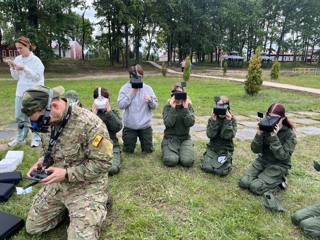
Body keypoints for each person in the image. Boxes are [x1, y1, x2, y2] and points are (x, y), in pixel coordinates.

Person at [21, 85, 112, 240]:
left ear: (54, 106)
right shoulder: (48, 120)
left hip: (86, 186)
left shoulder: (91, 124)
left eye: (43, 120)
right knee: (33, 227)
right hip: (59, 184)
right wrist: (42, 162)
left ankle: (99, 202)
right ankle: (70, 210)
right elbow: (48, 150)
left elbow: (104, 163)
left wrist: (66, 173)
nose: (42, 125)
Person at [239, 103, 297, 195]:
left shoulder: (290, 135)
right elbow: (255, 150)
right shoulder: (265, 126)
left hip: (279, 165)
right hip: (263, 161)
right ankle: (264, 176)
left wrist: (274, 137)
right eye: (269, 116)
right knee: (244, 182)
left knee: (255, 187)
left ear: (282, 118)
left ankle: (280, 181)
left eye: (275, 118)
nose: (271, 120)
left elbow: (283, 156)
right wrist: (259, 134)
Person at [7, 36, 45, 147]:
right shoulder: (18, 59)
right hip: (20, 92)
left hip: (33, 93)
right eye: (17, 48)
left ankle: (36, 138)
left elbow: (37, 77)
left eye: (20, 48)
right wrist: (12, 68)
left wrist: (24, 68)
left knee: (34, 116)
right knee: (19, 117)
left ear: (28, 46)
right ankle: (20, 137)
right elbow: (15, 78)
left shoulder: (36, 60)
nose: (18, 50)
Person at [117, 64, 158, 153]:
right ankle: (129, 143)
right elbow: (120, 105)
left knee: (148, 151)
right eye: (136, 77)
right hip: (130, 126)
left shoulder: (148, 88)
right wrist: (132, 92)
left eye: (140, 77)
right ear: (130, 76)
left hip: (145, 126)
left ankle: (148, 143)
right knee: (128, 151)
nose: (139, 79)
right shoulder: (125, 88)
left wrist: (150, 101)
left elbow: (155, 106)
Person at [200, 96, 237, 176]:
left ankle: (228, 161)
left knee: (220, 172)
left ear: (227, 107)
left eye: (222, 106)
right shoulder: (212, 119)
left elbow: (226, 136)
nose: (219, 108)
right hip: (212, 148)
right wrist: (213, 122)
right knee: (207, 168)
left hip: (225, 150)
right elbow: (210, 135)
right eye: (218, 105)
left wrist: (228, 121)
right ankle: (209, 158)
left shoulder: (232, 120)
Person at [161, 84, 195, 167]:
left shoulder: (188, 106)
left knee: (187, 162)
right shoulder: (167, 107)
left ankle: (184, 150)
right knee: (171, 161)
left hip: (184, 139)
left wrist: (185, 109)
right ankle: (167, 149)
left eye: (181, 93)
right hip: (170, 138)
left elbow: (190, 123)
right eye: (176, 93)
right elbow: (168, 124)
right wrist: (173, 108)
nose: (179, 95)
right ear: (172, 95)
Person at [92, 87, 122, 175]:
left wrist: (109, 112)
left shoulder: (113, 112)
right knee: (92, 168)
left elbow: (117, 127)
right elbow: (87, 132)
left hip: (112, 144)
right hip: (95, 144)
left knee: (112, 169)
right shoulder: (89, 114)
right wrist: (93, 115)